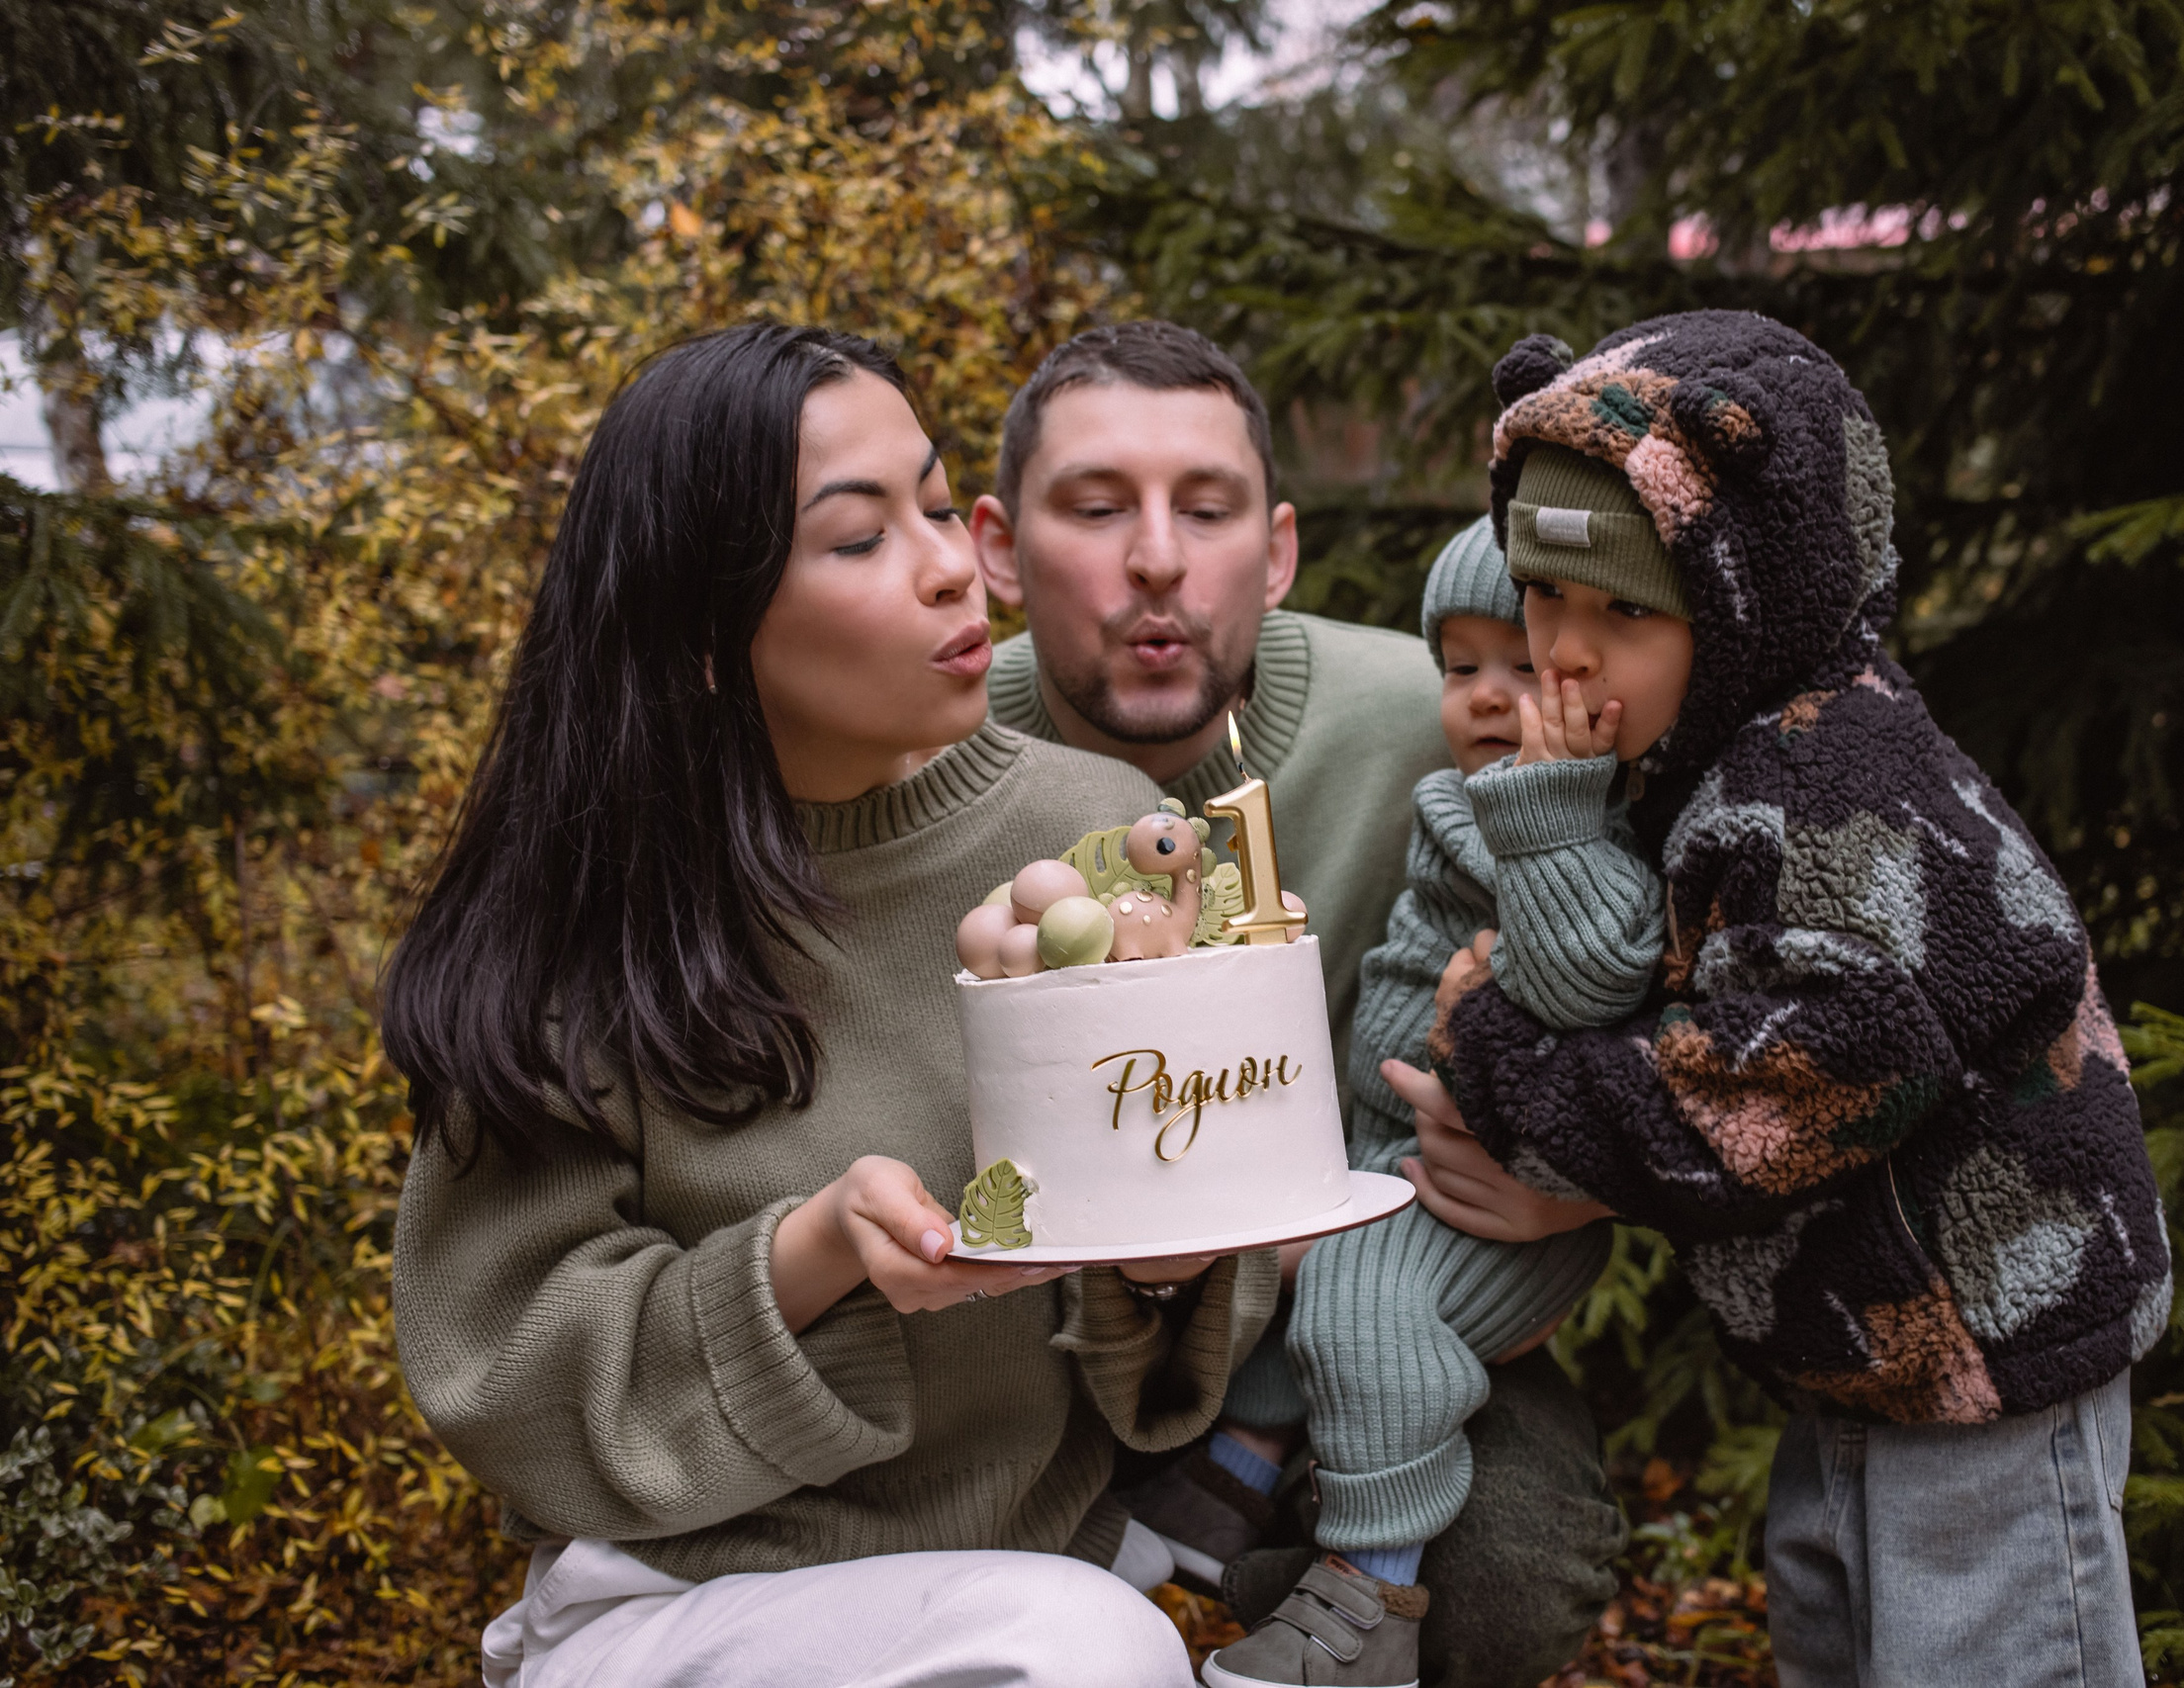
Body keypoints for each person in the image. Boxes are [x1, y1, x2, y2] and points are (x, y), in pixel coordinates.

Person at [383, 321, 1278, 1688]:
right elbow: (503, 1367)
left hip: (1032, 1581)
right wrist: (817, 1252)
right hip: (674, 1605)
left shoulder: (1109, 836)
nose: (946, 566)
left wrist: (1157, 1241)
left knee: (1086, 1637)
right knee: (1090, 1649)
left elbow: (1219, 1240)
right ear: (702, 632)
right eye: (861, 538)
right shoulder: (594, 914)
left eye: (934, 504)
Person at [1416, 311, 2173, 1686]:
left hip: (1987, 1346)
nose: (1566, 656)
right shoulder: (1714, 758)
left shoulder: (1832, 795)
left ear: (1749, 592)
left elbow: (1768, 1097)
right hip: (1869, 1348)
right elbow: (1639, 968)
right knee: (1842, 1638)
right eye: (1543, 597)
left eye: (1626, 610)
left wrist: (1498, 1053)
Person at [971, 321, 1626, 1688]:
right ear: (995, 542)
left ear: (1274, 549)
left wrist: (1593, 1180)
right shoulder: (930, 751)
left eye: (1203, 510)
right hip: (1033, 1348)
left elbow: (1649, 929)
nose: (1156, 556)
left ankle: (1284, 1594)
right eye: (1097, 507)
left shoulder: (1439, 711)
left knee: (1502, 1568)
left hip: (1394, 1296)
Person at [1202, 516, 1670, 1685]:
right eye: (1460, 668)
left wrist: (1549, 813)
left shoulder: (1597, 828)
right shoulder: (1454, 797)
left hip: (1496, 1196)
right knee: (1304, 1265)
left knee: (1358, 1298)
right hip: (1392, 1145)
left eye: (1525, 666)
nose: (1488, 697)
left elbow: (1595, 976)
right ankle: (1230, 1480)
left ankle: (1369, 1594)